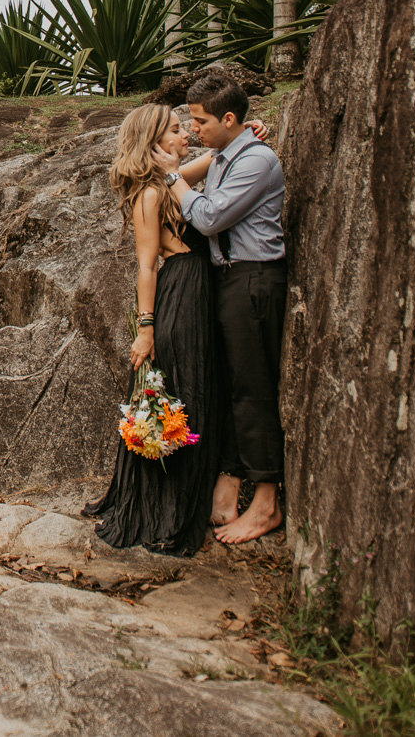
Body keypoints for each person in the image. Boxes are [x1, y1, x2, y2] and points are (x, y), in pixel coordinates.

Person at [159, 71, 288, 545]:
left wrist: (173, 176)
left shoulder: (257, 161)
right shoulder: (224, 156)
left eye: (200, 122)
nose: (193, 131)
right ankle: (231, 481)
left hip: (254, 279)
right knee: (233, 386)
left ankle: (268, 503)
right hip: (228, 279)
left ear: (228, 118)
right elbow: (190, 178)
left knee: (254, 389)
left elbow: (209, 216)